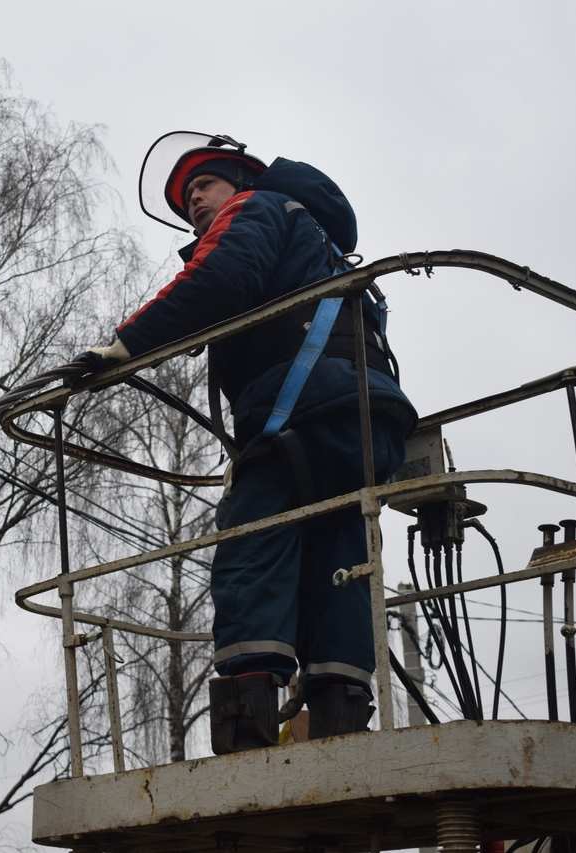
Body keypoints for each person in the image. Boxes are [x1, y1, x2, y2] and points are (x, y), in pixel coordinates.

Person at [78, 136, 417, 754]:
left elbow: (219, 276)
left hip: (298, 416)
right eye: (186, 204)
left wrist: (126, 345)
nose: (195, 204)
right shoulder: (328, 249)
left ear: (240, 181)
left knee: (252, 546)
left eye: (203, 186)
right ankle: (341, 718)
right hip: (365, 419)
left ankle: (247, 728)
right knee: (340, 555)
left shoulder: (259, 210)